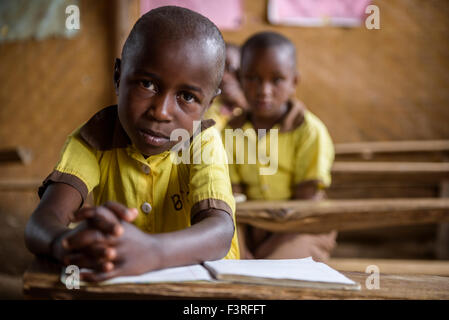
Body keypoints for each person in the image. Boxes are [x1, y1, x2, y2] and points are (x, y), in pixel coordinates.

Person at [24, 6, 239, 283]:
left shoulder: (203, 142)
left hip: (204, 290)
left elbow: (220, 232)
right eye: (147, 84)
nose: (161, 112)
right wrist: (66, 242)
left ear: (209, 104)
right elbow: (41, 222)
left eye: (187, 96)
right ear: (118, 76)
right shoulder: (94, 138)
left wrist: (155, 251)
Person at [224, 31, 335, 261]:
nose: (264, 90)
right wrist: (242, 246)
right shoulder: (230, 131)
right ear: (240, 78)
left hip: (302, 225)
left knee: (281, 267)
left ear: (294, 82)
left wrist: (269, 249)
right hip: (248, 223)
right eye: (252, 78)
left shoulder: (309, 131)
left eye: (276, 80)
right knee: (232, 258)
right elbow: (234, 197)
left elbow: (308, 200)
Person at [204, 43, 248, 131]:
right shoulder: (206, 100)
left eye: (231, 69)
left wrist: (242, 103)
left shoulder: (248, 105)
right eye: (217, 68)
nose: (224, 76)